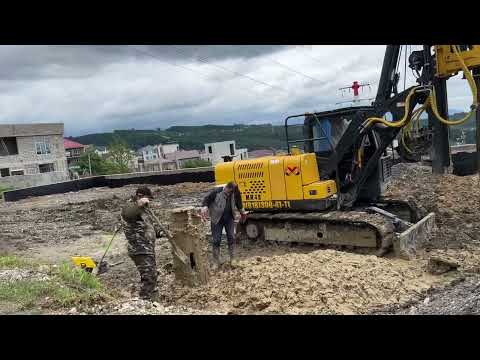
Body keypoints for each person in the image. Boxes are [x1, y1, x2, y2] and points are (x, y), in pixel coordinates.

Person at [120, 186, 164, 300]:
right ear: (140, 196)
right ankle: (144, 302)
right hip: (139, 248)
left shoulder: (144, 210)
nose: (149, 201)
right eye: (148, 198)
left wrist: (160, 232)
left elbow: (149, 226)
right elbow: (128, 214)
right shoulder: (130, 206)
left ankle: (154, 301)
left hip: (147, 248)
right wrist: (139, 204)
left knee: (152, 275)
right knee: (149, 277)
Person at [201, 181, 246, 269]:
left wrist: (243, 213)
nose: (228, 193)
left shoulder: (235, 193)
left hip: (229, 218)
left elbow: (239, 204)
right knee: (216, 239)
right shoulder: (217, 191)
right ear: (226, 187)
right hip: (217, 219)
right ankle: (216, 262)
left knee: (231, 237)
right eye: (227, 191)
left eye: (230, 192)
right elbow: (207, 199)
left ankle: (233, 259)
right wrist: (204, 207)